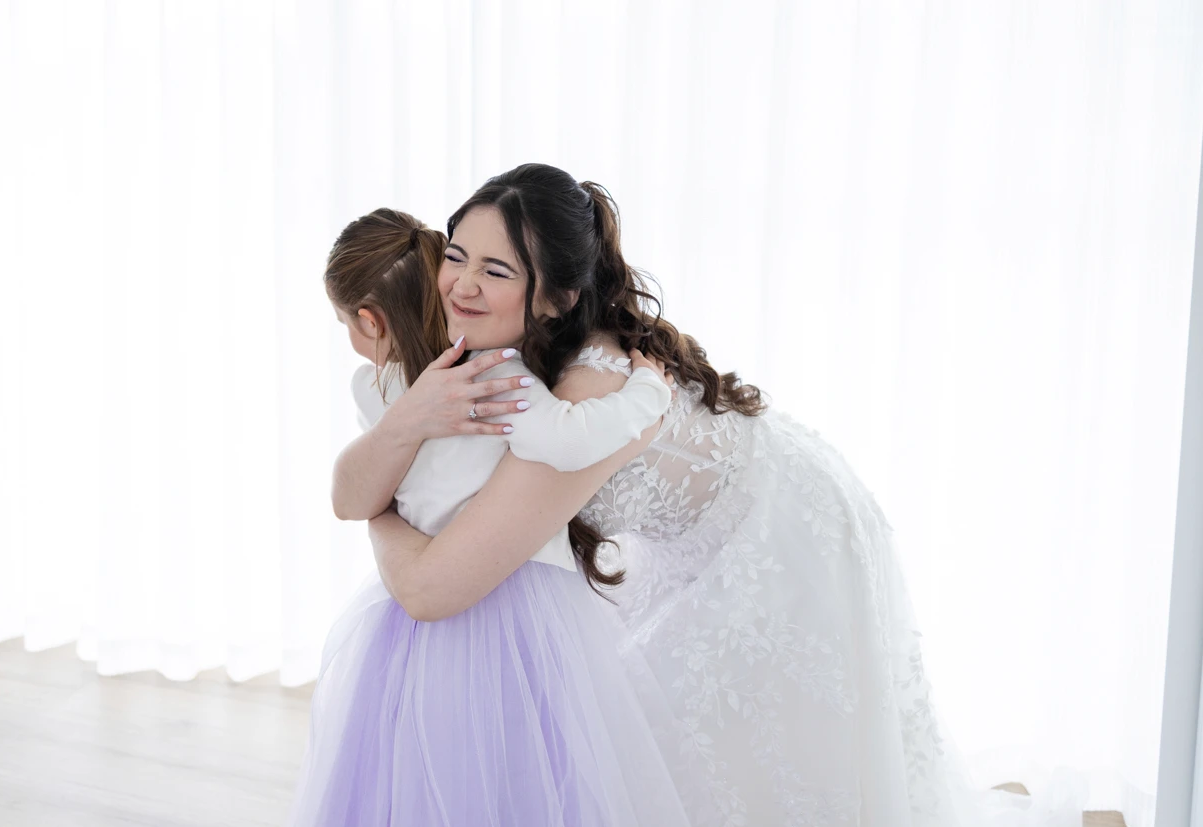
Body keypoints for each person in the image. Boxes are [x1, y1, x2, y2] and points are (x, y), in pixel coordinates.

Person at [360, 165, 1077, 825]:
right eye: (455, 254)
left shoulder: (584, 398)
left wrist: (377, 504)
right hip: (711, 530)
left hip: (784, 537)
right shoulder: (517, 351)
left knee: (749, 772)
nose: (459, 285)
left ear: (558, 295)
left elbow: (432, 587)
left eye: (497, 269)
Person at [286, 207, 691, 827]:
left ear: (368, 321)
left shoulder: (373, 389)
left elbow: (357, 497)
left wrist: (383, 511)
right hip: (520, 598)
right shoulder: (496, 372)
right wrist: (648, 396)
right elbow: (568, 439)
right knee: (525, 770)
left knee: (421, 766)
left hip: (417, 608)